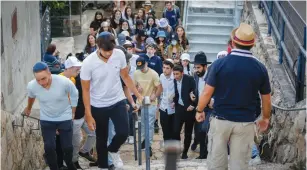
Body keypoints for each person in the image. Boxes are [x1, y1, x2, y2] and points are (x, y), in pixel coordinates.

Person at [195, 23, 272, 170]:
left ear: (233, 42)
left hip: (221, 121)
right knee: (240, 165)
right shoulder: (260, 68)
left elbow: (207, 92)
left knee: (217, 164)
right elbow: (266, 98)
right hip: (245, 123)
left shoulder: (219, 64)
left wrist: (199, 110)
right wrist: (266, 118)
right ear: (252, 45)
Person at [80, 32, 143, 169]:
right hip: (98, 104)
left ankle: (113, 150)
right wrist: (88, 114)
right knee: (101, 138)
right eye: (105, 51)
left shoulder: (119, 54)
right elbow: (85, 90)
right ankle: (103, 166)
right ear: (98, 46)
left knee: (123, 132)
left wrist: (138, 95)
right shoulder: (88, 63)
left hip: (117, 100)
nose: (109, 54)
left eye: (111, 51)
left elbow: (126, 77)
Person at [25, 62, 78, 170]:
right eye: (38, 80)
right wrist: (29, 108)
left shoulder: (64, 82)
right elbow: (31, 97)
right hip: (47, 119)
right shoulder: (32, 86)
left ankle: (69, 164)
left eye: (43, 79)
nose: (41, 82)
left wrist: (72, 112)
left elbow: (74, 95)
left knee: (67, 148)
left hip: (64, 117)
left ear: (49, 73)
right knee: (49, 147)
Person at [133, 56, 161, 157]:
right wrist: (137, 89)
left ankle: (148, 145)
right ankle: (143, 141)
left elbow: (159, 87)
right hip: (140, 102)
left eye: (143, 67)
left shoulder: (153, 74)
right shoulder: (136, 73)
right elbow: (133, 87)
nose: (141, 69)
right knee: (142, 124)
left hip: (151, 103)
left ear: (146, 63)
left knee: (149, 125)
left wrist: (154, 96)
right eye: (139, 67)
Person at [190, 51, 211, 159]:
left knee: (203, 129)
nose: (196, 70)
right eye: (195, 67)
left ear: (205, 67)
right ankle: (202, 152)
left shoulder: (212, 76)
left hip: (210, 108)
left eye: (198, 68)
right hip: (199, 107)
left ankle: (204, 154)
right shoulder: (195, 76)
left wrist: (213, 99)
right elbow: (195, 89)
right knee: (198, 131)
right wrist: (191, 94)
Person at [172, 64, 196, 159]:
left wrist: (193, 105)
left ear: (182, 73)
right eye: (174, 74)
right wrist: (175, 101)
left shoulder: (189, 79)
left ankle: (185, 152)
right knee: (176, 130)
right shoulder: (174, 80)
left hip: (189, 109)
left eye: (177, 74)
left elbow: (195, 92)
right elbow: (177, 92)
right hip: (179, 108)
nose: (175, 76)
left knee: (188, 133)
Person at [156, 60, 175, 142]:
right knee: (164, 128)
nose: (165, 70)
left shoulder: (175, 77)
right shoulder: (161, 76)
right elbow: (160, 90)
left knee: (174, 129)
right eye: (163, 67)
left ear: (172, 69)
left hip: (174, 107)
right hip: (163, 106)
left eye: (167, 68)